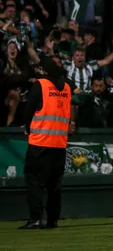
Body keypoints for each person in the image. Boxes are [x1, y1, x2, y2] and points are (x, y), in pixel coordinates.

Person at [19, 56, 74, 229]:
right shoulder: (66, 86)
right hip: (59, 144)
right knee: (54, 186)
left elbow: (29, 111)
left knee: (34, 181)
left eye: (39, 69)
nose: (38, 72)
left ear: (44, 70)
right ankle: (52, 220)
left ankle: (36, 219)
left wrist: (27, 127)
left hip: (40, 143)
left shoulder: (40, 86)